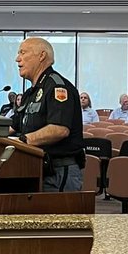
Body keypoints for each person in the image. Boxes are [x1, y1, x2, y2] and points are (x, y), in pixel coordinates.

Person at [12, 37, 84, 192]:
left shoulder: (57, 87)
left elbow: (59, 129)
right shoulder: (30, 93)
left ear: (41, 56)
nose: (17, 58)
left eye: (22, 53)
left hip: (58, 172)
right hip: (36, 168)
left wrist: (23, 141)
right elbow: (13, 125)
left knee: (57, 217)